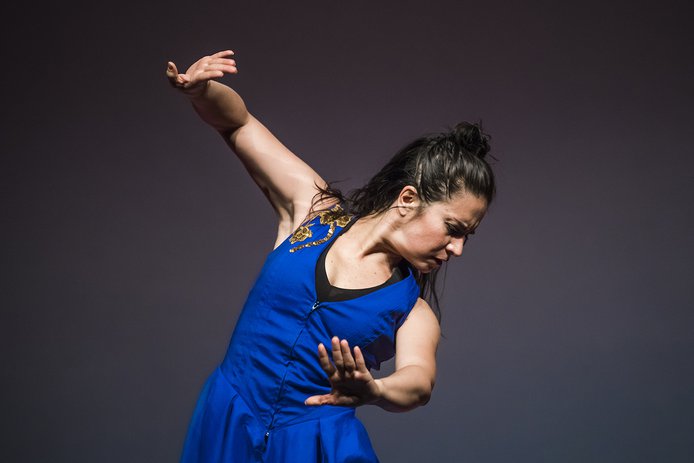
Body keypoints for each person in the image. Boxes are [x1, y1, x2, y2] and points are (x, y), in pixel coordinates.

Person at [166, 49, 495, 463]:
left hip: (314, 446)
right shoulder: (313, 215)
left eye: (467, 237)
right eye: (453, 228)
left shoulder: (412, 310)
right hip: (227, 419)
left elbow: (418, 382)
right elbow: (239, 123)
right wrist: (201, 92)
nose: (458, 249)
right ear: (408, 199)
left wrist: (375, 390)